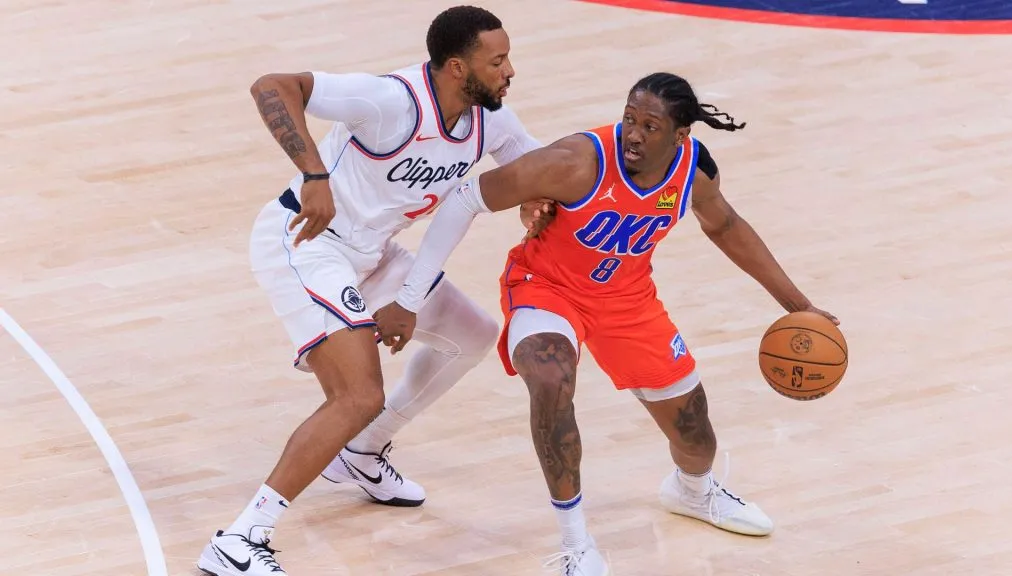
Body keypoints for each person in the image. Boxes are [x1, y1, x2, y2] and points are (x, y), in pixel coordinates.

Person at [374, 72, 840, 575]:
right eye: (629, 119)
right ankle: (575, 543)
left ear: (681, 135)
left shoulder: (693, 173)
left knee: (696, 436)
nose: (634, 134)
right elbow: (467, 197)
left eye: (650, 125)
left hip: (628, 300)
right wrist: (410, 296)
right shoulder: (575, 162)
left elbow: (725, 225)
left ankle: (693, 491)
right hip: (545, 286)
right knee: (550, 380)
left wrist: (798, 305)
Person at [197, 6, 552, 576]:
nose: (511, 71)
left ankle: (362, 453)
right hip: (308, 240)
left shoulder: (491, 120)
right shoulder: (390, 101)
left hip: (373, 251)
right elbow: (273, 86)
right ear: (459, 68)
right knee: (357, 395)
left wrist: (535, 200)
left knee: (475, 334)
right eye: (499, 60)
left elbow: (537, 168)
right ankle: (240, 539)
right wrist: (314, 175)